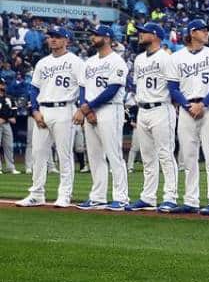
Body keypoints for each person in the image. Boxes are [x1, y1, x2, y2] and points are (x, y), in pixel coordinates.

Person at [16, 26, 83, 208]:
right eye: (51, 37)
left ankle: (64, 195)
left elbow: (83, 86)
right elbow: (34, 89)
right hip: (44, 110)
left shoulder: (75, 61)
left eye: (57, 37)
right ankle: (37, 194)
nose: (53, 39)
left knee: (64, 155)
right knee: (38, 154)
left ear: (66, 40)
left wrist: (82, 109)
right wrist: (35, 111)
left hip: (65, 108)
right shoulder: (42, 62)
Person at [171, 19, 209, 216]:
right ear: (192, 33)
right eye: (202, 30)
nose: (206, 33)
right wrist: (187, 106)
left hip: (208, 108)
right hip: (187, 110)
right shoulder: (176, 57)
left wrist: (203, 104)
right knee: (189, 157)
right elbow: (172, 88)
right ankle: (190, 200)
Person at [124, 22, 180, 212]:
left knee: (165, 153)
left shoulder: (166, 58)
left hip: (161, 108)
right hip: (143, 109)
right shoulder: (139, 59)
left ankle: (170, 196)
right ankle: (148, 197)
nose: (140, 34)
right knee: (147, 157)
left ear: (155, 35)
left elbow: (174, 86)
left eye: (144, 32)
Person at [74, 24, 130, 210]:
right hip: (91, 111)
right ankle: (97, 196)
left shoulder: (117, 61)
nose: (92, 38)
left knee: (114, 154)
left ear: (107, 38)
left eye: (96, 35)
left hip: (110, 109)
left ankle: (121, 197)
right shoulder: (88, 62)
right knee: (95, 156)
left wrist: (87, 108)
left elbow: (113, 89)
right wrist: (86, 109)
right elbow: (83, 87)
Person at [0, 80, 17, 173]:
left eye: (3, 84)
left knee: (9, 146)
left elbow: (14, 109)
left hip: (6, 123)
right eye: (2, 84)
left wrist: (13, 117)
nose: (3, 86)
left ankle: (11, 167)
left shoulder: (8, 98)